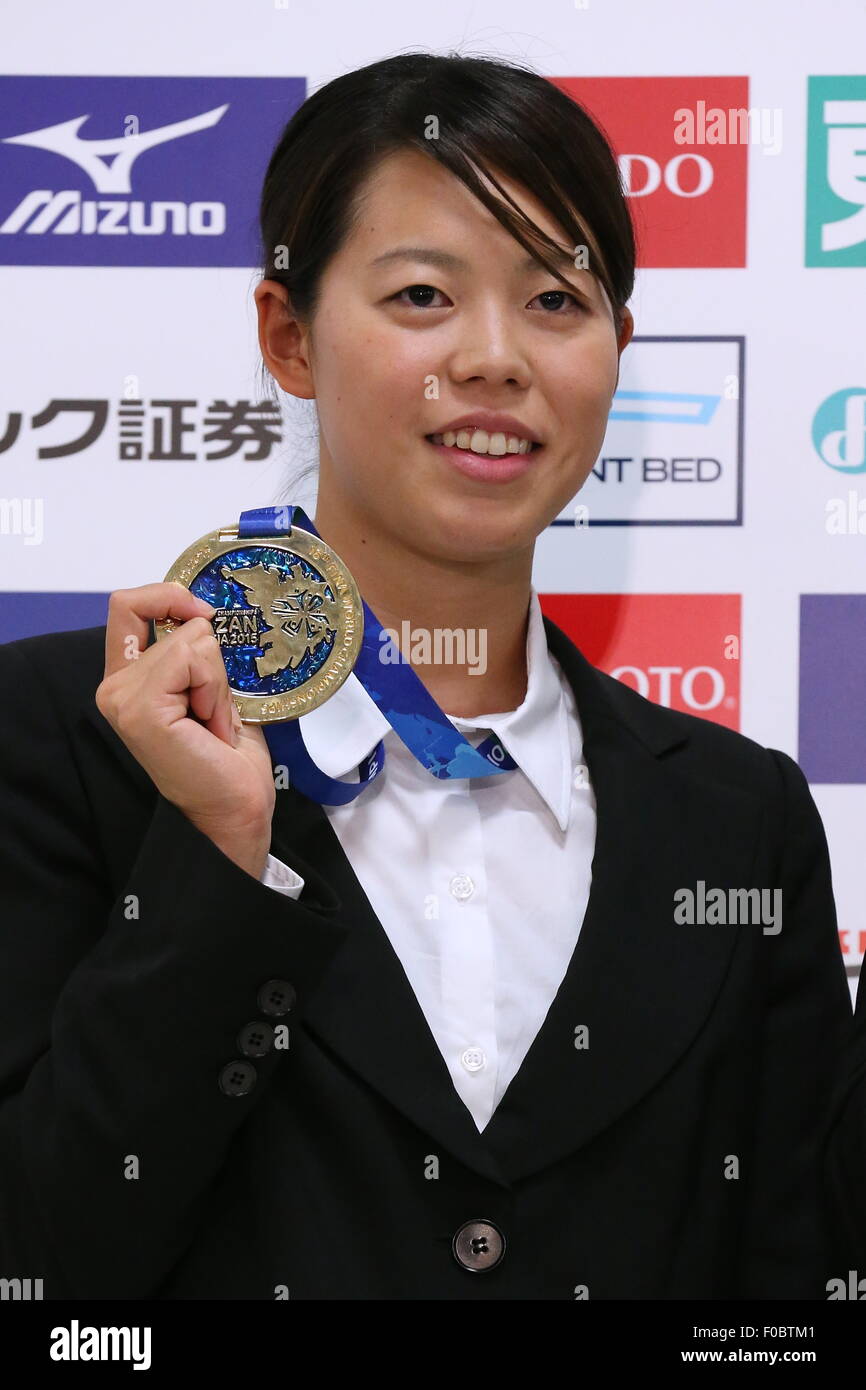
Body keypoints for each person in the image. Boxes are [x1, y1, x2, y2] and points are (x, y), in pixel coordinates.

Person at [0, 51, 852, 1301]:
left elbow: (791, 1286)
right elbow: (40, 1264)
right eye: (419, 296)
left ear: (616, 349)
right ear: (287, 337)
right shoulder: (64, 739)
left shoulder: (737, 816)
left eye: (556, 302)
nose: (496, 358)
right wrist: (214, 857)